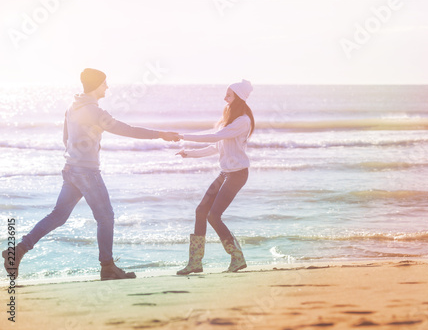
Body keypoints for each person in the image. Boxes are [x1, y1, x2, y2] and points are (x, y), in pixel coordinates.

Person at [2, 68, 179, 281]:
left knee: (58, 216)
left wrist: (78, 154)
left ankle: (19, 250)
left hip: (71, 169)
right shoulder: (94, 112)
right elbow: (127, 129)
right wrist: (160, 134)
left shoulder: (72, 106)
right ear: (97, 85)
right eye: (105, 83)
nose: (107, 87)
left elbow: (65, 139)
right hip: (86, 172)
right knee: (106, 217)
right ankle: (108, 267)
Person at [176, 79, 255, 275]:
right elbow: (215, 146)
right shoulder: (229, 120)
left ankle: (237, 257)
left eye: (228, 95)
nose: (224, 98)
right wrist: (189, 153)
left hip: (237, 175)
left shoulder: (242, 121)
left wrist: (183, 136)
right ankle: (195, 262)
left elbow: (214, 137)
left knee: (213, 215)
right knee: (201, 211)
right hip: (225, 173)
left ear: (238, 97)